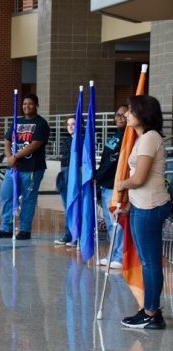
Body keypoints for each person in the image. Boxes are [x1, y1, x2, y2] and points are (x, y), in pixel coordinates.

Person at [117, 95, 171, 329]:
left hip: (151, 207)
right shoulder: (142, 138)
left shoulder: (150, 138)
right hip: (141, 206)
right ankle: (149, 309)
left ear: (142, 114)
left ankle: (152, 313)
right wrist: (128, 205)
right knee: (148, 260)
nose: (126, 115)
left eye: (130, 111)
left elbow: (139, 179)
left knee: (150, 262)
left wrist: (121, 184)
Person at [0, 94, 51, 239]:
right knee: (6, 195)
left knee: (28, 199)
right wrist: (10, 158)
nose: (26, 106)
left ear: (36, 105)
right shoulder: (17, 122)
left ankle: (25, 229)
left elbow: (35, 144)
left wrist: (16, 156)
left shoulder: (41, 123)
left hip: (32, 168)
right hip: (13, 168)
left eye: (30, 104)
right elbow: (7, 140)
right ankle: (6, 227)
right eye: (24, 104)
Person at [95, 105, 127, 268]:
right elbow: (107, 160)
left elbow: (114, 162)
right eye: (117, 115)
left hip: (116, 185)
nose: (119, 118)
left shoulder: (128, 137)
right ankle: (113, 254)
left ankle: (120, 257)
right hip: (106, 184)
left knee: (117, 222)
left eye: (123, 115)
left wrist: (98, 177)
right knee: (109, 222)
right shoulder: (116, 135)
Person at [54, 117, 75, 245]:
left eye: (73, 124)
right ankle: (69, 234)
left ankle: (75, 234)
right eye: (68, 125)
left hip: (75, 173)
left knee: (74, 205)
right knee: (67, 205)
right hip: (65, 172)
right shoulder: (66, 140)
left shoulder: (83, 140)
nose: (70, 127)